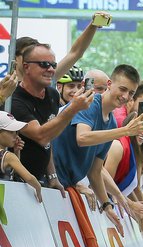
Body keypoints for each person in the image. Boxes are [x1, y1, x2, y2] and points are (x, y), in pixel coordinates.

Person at [52, 64, 143, 233]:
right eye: (123, 89)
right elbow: (82, 138)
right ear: (109, 84)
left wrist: (107, 204)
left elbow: (95, 171)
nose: (125, 96)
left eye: (131, 93)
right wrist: (125, 131)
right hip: (52, 183)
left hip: (67, 189)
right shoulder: (90, 103)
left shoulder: (111, 122)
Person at [11, 43, 94, 189]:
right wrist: (73, 108)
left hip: (39, 180)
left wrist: (52, 176)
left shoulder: (52, 94)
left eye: (53, 65)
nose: (50, 69)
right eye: (44, 64)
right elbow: (41, 136)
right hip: (14, 182)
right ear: (26, 67)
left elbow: (47, 140)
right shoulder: (14, 99)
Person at [0, 112, 42, 202]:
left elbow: (12, 171)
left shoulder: (9, 157)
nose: (16, 136)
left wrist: (16, 151)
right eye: (11, 132)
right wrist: (38, 188)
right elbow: (29, 178)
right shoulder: (9, 157)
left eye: (16, 132)